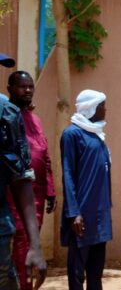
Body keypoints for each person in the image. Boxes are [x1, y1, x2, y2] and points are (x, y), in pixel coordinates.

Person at [0, 53, 47, 290]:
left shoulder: (6, 113)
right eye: (22, 86)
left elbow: (21, 177)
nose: (28, 90)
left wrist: (35, 245)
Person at [6, 71, 55, 290]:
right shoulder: (6, 117)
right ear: (10, 89)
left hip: (37, 193)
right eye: (22, 86)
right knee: (21, 240)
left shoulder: (35, 120)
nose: (27, 90)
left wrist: (50, 191)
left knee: (30, 241)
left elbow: (44, 156)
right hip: (14, 191)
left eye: (30, 86)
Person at [60, 89, 112, 290]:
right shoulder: (72, 134)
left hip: (100, 214)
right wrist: (74, 213)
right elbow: (68, 174)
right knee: (77, 272)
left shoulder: (97, 134)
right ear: (91, 108)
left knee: (96, 272)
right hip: (81, 215)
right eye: (102, 106)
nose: (105, 109)